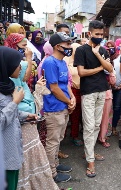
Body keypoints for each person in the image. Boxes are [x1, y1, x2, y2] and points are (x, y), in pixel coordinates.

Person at [10, 60, 59, 189]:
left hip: (31, 133)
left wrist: (37, 90)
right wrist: (16, 102)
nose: (23, 72)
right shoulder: (9, 90)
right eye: (20, 68)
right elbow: (9, 114)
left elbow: (34, 108)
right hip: (20, 137)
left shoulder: (22, 87)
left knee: (34, 164)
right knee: (25, 166)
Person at [73, 20, 113, 178]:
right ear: (89, 33)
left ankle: (90, 152)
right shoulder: (82, 50)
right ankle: (90, 160)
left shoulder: (103, 50)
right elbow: (81, 73)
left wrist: (97, 54)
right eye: (96, 34)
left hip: (102, 90)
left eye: (101, 35)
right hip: (88, 92)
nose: (99, 37)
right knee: (89, 126)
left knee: (96, 124)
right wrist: (100, 68)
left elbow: (110, 69)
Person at [0, 47, 37, 190]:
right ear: (6, 65)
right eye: (17, 64)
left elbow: (8, 113)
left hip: (12, 151)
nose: (21, 67)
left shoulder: (6, 85)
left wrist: (25, 116)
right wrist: (15, 102)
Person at [42, 32, 76, 183]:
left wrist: (72, 97)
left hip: (63, 106)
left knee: (59, 138)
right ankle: (51, 173)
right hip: (54, 108)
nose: (70, 47)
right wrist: (69, 102)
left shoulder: (62, 62)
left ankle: (55, 164)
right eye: (67, 44)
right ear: (57, 46)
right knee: (53, 141)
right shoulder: (50, 62)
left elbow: (65, 84)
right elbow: (54, 88)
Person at [64, 43, 83, 146]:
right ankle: (65, 136)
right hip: (71, 91)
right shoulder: (67, 63)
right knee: (70, 114)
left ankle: (74, 135)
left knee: (78, 115)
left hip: (82, 91)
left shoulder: (81, 62)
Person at [98, 40, 116, 148]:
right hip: (106, 94)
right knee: (105, 118)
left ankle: (98, 137)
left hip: (95, 92)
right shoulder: (109, 66)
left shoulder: (93, 65)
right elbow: (113, 81)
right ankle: (102, 138)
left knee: (95, 119)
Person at [111, 41, 121, 136]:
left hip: (120, 87)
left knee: (117, 107)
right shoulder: (112, 60)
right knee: (108, 109)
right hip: (109, 87)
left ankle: (114, 126)